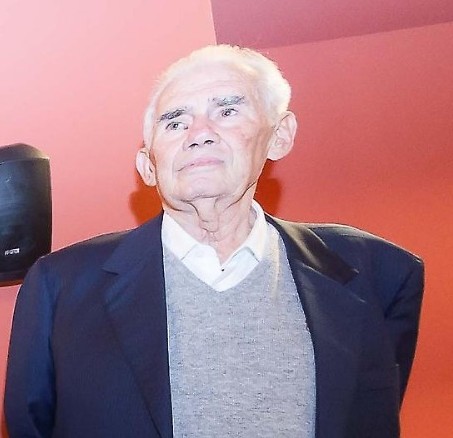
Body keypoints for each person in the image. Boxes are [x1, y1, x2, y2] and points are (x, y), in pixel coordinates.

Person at [5, 45, 424, 438]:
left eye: (227, 111)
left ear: (279, 135)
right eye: (175, 122)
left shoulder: (377, 273)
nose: (199, 133)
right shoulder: (61, 287)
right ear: (147, 166)